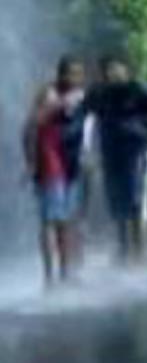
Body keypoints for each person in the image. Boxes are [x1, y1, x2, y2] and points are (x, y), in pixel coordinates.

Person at [79, 55, 147, 265]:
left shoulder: (138, 89)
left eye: (118, 69)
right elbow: (84, 116)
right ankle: (123, 249)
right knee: (117, 203)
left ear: (126, 70)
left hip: (138, 152)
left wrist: (142, 129)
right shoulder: (99, 94)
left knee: (136, 203)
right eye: (109, 70)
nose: (114, 73)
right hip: (112, 154)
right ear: (103, 73)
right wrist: (87, 151)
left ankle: (140, 252)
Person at [22, 55, 88, 287]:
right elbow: (31, 125)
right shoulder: (49, 93)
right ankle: (49, 276)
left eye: (79, 74)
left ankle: (65, 272)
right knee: (50, 220)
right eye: (70, 73)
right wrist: (30, 162)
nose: (75, 78)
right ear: (60, 74)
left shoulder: (82, 97)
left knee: (66, 220)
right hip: (50, 163)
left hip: (71, 164)